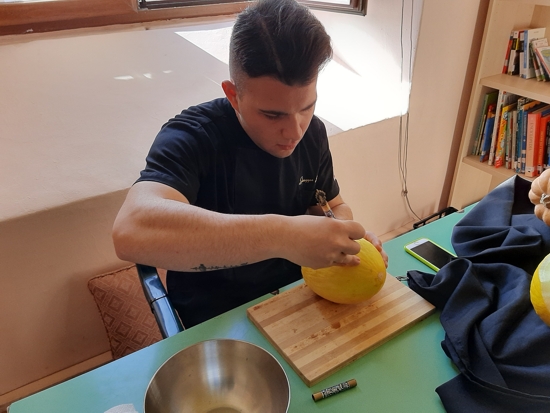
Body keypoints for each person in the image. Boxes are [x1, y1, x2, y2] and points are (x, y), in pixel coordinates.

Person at [112, 0, 388, 328]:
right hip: (217, 318)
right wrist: (284, 236)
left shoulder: (312, 133)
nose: (294, 131)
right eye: (273, 115)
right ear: (233, 96)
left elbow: (333, 206)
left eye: (307, 107)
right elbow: (131, 231)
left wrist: (340, 238)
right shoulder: (193, 135)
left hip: (298, 298)